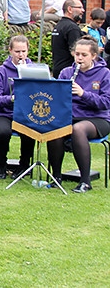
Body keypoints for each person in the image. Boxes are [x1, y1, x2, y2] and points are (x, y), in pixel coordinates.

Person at [47, 36, 110, 193]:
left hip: (97, 118)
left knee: (78, 129)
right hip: (71, 115)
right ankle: (56, 177)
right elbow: (56, 99)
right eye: (77, 54)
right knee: (54, 128)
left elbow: (105, 103)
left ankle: (85, 181)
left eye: (84, 55)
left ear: (94, 56)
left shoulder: (104, 73)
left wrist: (83, 94)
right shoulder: (66, 72)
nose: (79, 58)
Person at [0, 35, 36, 180]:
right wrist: (12, 99)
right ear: (10, 51)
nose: (21, 55)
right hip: (3, 113)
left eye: (23, 51)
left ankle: (24, 166)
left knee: (30, 131)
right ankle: (1, 164)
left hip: (25, 114)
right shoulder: (1, 72)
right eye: (17, 52)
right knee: (3, 132)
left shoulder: (34, 70)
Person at [51, 0, 85, 78]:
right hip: (69, 73)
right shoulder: (72, 28)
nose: (83, 10)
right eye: (79, 7)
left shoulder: (59, 26)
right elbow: (75, 51)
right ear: (70, 9)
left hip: (57, 69)